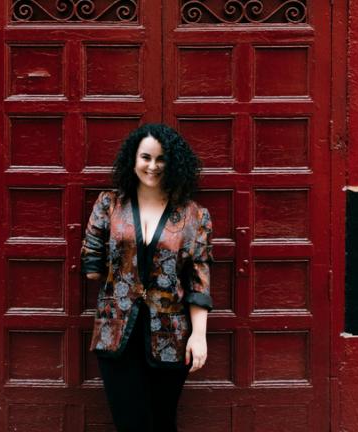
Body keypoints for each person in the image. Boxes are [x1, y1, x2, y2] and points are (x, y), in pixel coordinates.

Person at [81, 123, 214, 431]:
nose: (153, 166)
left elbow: (199, 277)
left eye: (161, 159)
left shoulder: (194, 215)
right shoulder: (109, 205)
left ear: (173, 163)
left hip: (171, 333)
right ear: (133, 159)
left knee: (163, 422)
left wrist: (199, 335)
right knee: (130, 423)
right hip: (115, 331)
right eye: (146, 157)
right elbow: (91, 264)